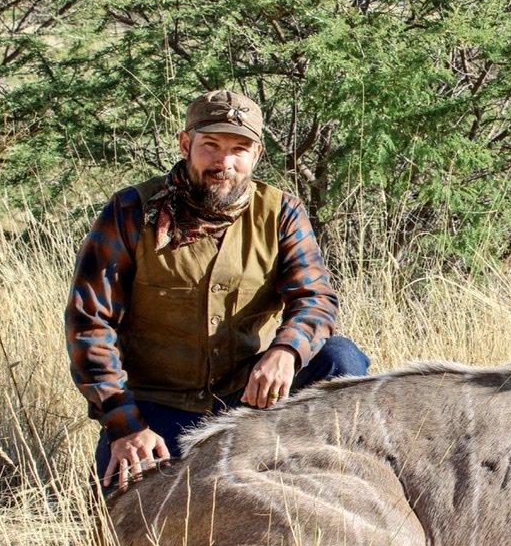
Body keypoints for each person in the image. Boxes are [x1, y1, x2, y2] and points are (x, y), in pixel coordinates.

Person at [65, 89, 370, 493]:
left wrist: (286, 351)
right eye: (211, 145)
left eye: (238, 149)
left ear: (256, 154)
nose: (223, 162)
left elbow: (315, 299)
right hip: (158, 408)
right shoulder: (131, 211)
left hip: (248, 399)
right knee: (129, 529)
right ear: (186, 143)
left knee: (340, 358)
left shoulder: (282, 212)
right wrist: (125, 426)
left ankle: (318, 481)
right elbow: (89, 325)